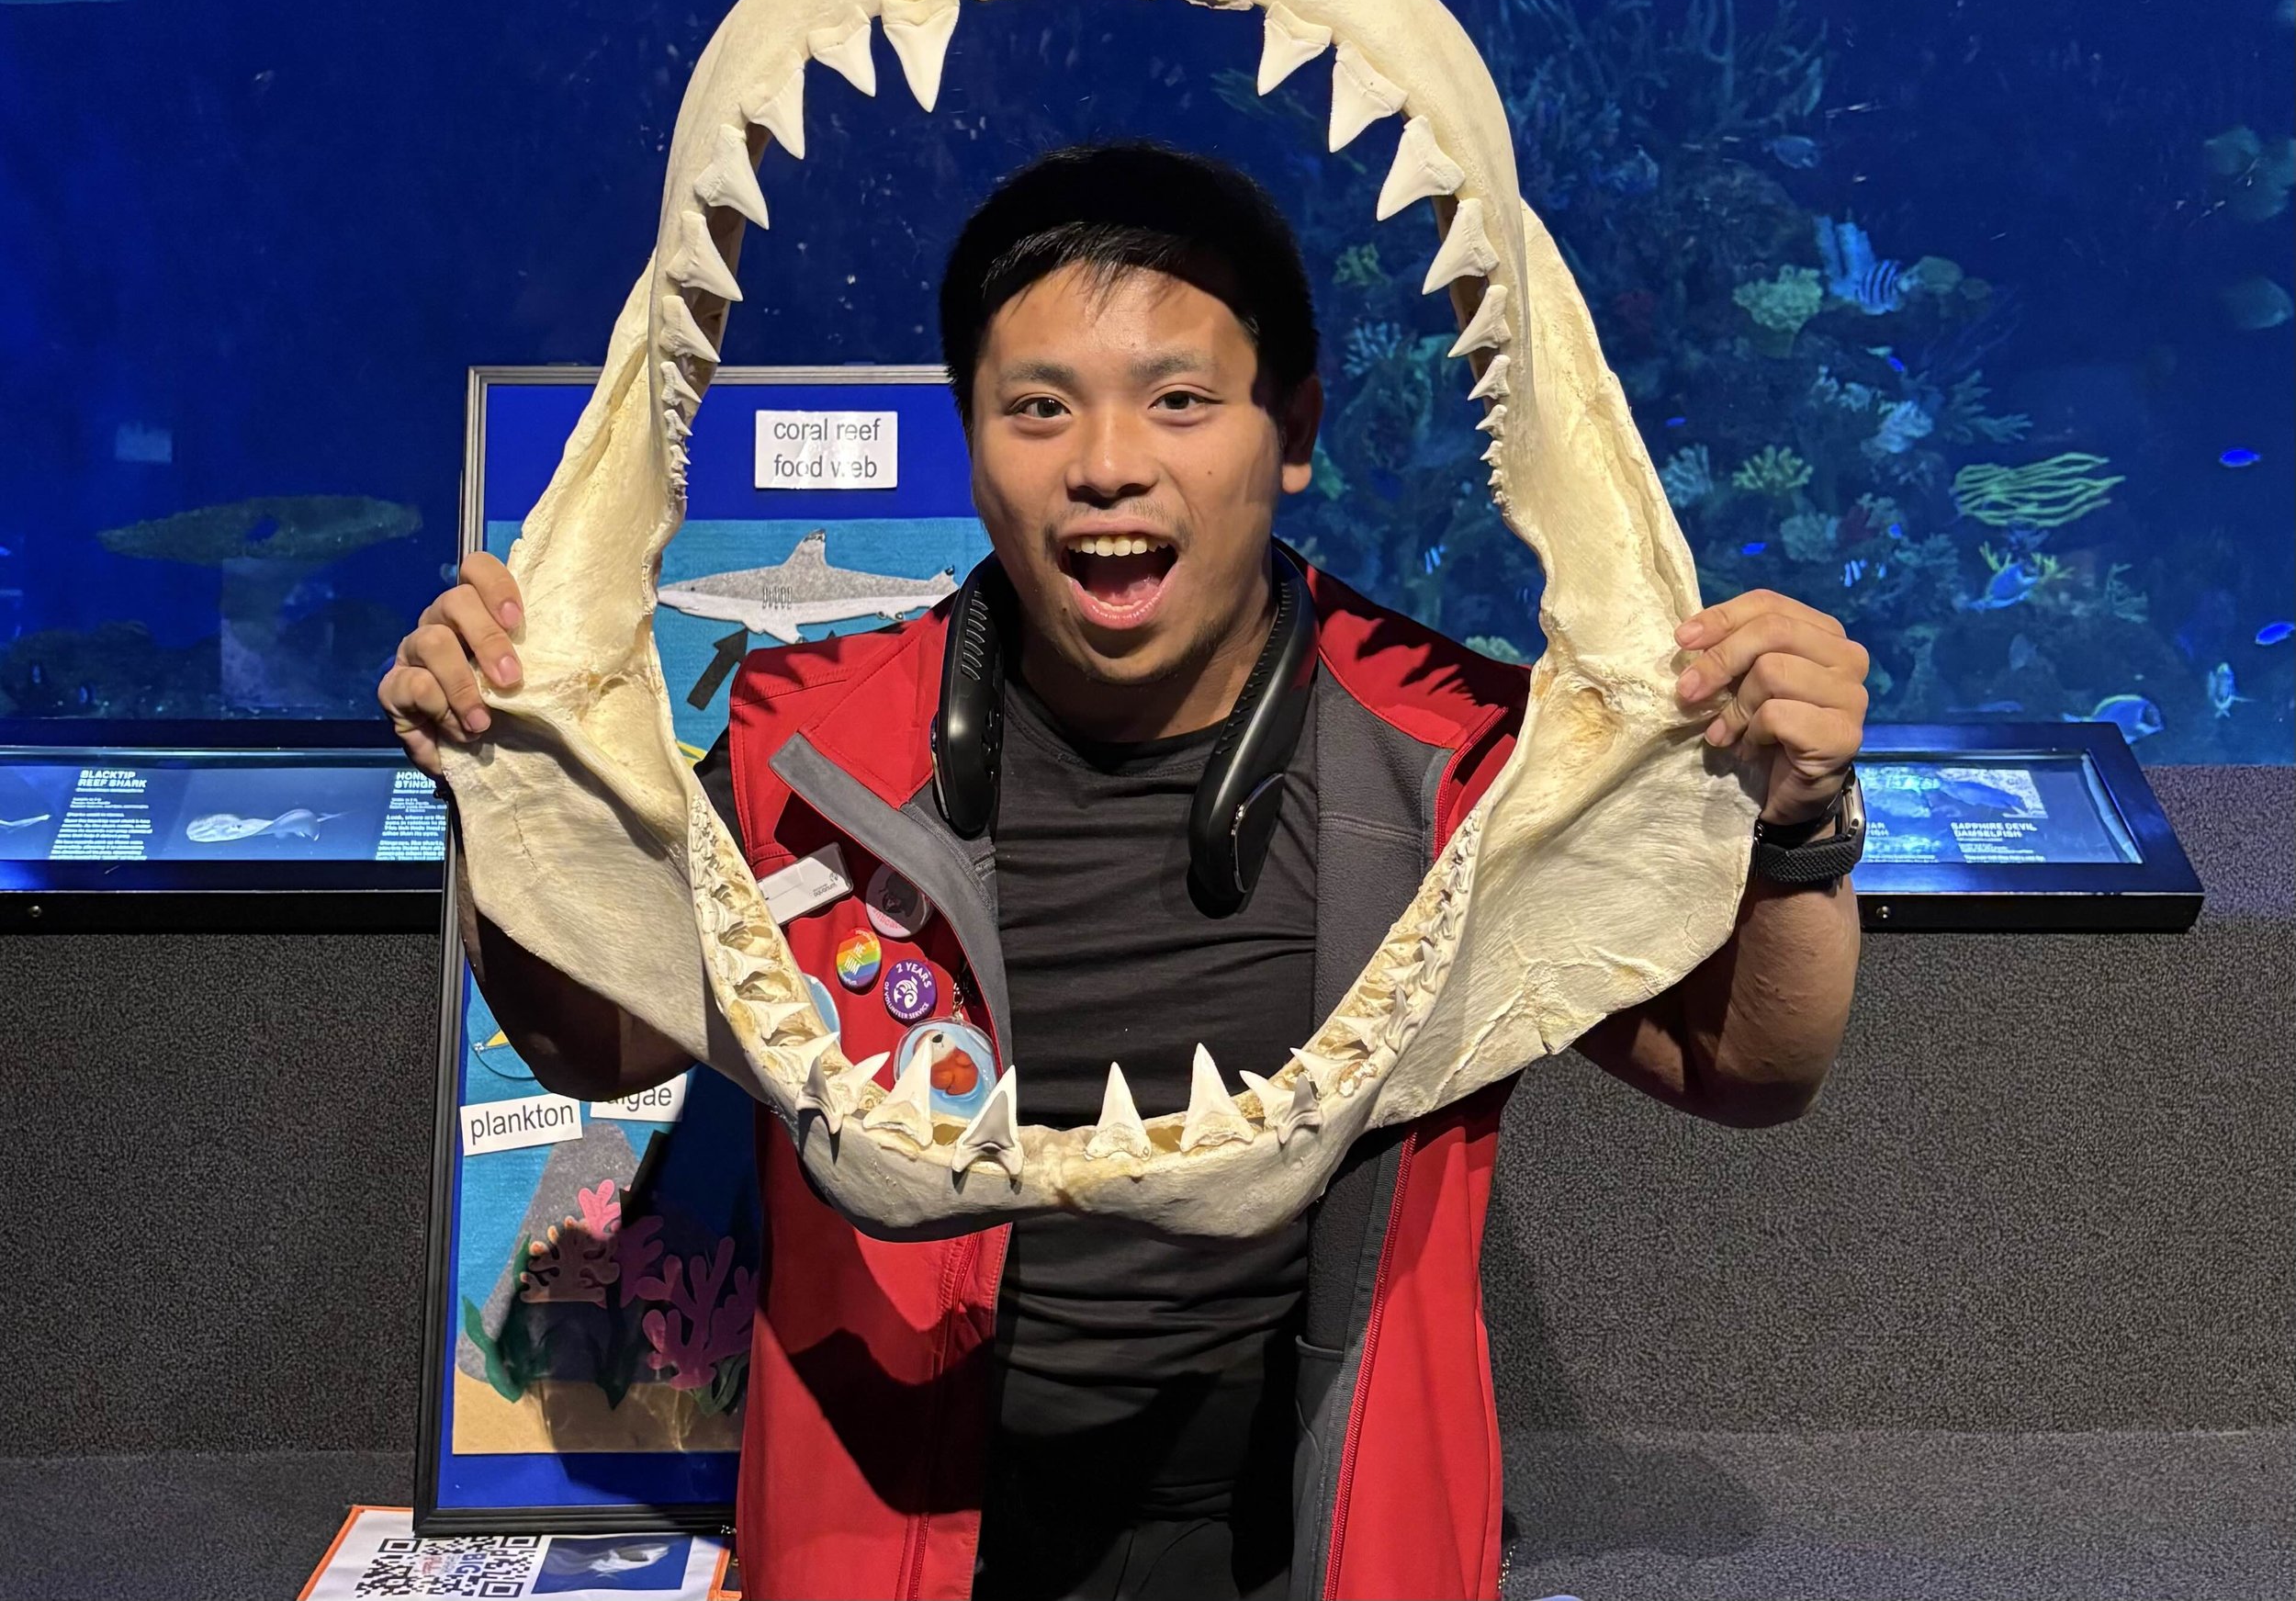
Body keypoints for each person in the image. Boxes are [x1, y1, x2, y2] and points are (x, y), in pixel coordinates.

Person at [384, 142, 1868, 1601]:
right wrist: (496, 784)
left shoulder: (1467, 760)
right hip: (897, 1528)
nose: (1105, 465)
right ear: (971, 439)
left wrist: (1799, 822)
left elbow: (1742, 1061)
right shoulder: (795, 747)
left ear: (1292, 432)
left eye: (1178, 400)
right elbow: (594, 1041)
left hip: (1316, 1532)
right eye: (1039, 408)